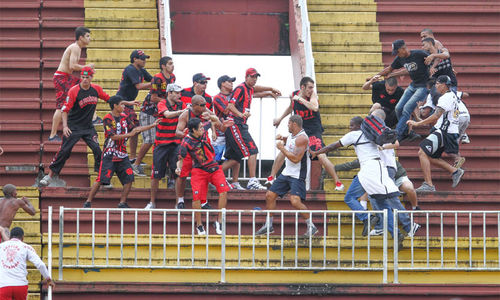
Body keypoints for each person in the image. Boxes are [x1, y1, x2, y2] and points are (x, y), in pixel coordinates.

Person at [312, 116, 417, 245]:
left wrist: (317, 152)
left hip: (368, 170)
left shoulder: (354, 135)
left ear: (358, 126)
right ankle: (396, 234)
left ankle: (367, 217)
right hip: (380, 168)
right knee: (383, 204)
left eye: (351, 125)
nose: (350, 128)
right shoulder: (372, 135)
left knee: (349, 197)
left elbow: (334, 145)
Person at [40, 67, 135, 187]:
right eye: (83, 77)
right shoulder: (74, 91)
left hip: (88, 127)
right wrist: (64, 127)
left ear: (91, 78)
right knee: (64, 151)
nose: (84, 79)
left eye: (87, 77)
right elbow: (64, 110)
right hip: (74, 126)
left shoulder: (96, 89)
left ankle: (102, 177)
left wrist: (126, 103)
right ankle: (49, 176)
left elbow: (110, 100)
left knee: (97, 149)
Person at [83, 96, 159, 208]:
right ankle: (88, 202)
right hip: (110, 154)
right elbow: (112, 137)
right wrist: (129, 135)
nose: (123, 106)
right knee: (101, 179)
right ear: (115, 105)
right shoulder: (107, 118)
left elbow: (136, 129)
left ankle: (122, 202)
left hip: (122, 155)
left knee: (129, 178)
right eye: (122, 104)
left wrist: (152, 125)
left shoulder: (125, 117)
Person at [272, 76, 343, 191]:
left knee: (320, 155)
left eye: (312, 87)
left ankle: (338, 182)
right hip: (300, 131)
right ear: (302, 87)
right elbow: (291, 107)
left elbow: (314, 107)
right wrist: (280, 118)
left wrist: (300, 99)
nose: (311, 90)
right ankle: (271, 177)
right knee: (284, 150)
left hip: (314, 131)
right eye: (309, 88)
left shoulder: (312, 96)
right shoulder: (293, 95)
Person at [255, 115, 317, 237]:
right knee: (270, 195)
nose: (287, 126)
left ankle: (311, 226)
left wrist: (282, 148)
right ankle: (269, 225)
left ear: (294, 124)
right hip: (287, 172)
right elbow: (291, 140)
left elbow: (295, 159)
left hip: (297, 175)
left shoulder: (302, 138)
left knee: (294, 201)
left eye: (288, 124)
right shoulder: (293, 136)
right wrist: (283, 138)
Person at [224, 68, 281, 190]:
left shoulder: (248, 89)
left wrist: (269, 91)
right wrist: (240, 115)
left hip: (239, 125)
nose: (254, 80)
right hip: (235, 124)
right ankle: (252, 180)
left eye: (256, 77)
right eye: (252, 77)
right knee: (253, 150)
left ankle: (214, 174)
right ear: (246, 77)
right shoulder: (240, 88)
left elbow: (254, 92)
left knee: (236, 157)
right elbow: (230, 106)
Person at [407, 75, 465, 192]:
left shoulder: (445, 98)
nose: (436, 86)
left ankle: (429, 184)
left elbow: (435, 116)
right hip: (449, 132)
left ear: (444, 85)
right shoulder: (451, 95)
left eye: (438, 83)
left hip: (444, 131)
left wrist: (418, 124)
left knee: (422, 152)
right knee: (430, 156)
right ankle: (454, 171)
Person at [176, 117, 232, 235]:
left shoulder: (203, 129)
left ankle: (219, 220)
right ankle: (199, 225)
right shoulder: (186, 142)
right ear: (193, 130)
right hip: (199, 171)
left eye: (202, 126)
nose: (203, 129)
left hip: (214, 168)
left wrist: (220, 123)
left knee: (223, 191)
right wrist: (178, 168)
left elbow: (212, 120)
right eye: (200, 128)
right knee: (196, 198)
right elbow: (180, 158)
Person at [367, 39, 429, 142]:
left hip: (423, 86)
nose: (397, 54)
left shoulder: (418, 54)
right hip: (413, 85)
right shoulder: (400, 59)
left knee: (407, 109)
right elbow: (389, 69)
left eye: (397, 52)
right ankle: (405, 131)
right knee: (398, 108)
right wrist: (375, 76)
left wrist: (433, 65)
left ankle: (397, 135)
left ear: (403, 48)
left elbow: (433, 57)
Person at [145, 84, 187, 210]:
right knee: (156, 174)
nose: (180, 95)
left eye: (180, 92)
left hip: (176, 144)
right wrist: (183, 112)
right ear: (169, 93)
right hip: (161, 144)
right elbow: (167, 115)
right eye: (177, 92)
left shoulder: (182, 104)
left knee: (179, 172)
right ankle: (152, 202)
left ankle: (179, 201)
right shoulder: (162, 103)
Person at [174, 95, 221, 209]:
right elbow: (177, 132)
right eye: (202, 105)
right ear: (194, 105)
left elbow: (215, 120)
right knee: (182, 174)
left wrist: (214, 131)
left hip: (203, 148)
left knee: (204, 174)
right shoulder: (185, 114)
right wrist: (186, 134)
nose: (205, 107)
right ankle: (180, 200)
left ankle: (204, 201)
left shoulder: (206, 111)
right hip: (190, 147)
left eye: (206, 104)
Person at [49, 27, 95, 142]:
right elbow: (72, 66)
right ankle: (52, 135)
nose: (90, 39)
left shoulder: (77, 48)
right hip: (62, 77)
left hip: (66, 77)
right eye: (88, 36)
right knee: (61, 106)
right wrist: (87, 67)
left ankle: (93, 117)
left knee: (87, 86)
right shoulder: (75, 47)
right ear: (81, 37)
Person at [132, 56, 176, 176]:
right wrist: (168, 102)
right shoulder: (157, 78)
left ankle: (160, 167)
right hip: (149, 111)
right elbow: (153, 97)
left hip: (159, 112)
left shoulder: (172, 77)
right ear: (163, 66)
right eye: (170, 64)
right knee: (150, 139)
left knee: (160, 140)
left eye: (173, 63)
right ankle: (135, 165)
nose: (173, 66)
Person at [116, 50, 153, 164]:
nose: (144, 61)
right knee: (129, 129)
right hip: (122, 103)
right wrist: (155, 84)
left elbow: (152, 79)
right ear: (134, 59)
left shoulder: (141, 70)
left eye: (145, 58)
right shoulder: (130, 69)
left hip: (129, 103)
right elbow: (138, 86)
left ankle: (132, 157)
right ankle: (118, 154)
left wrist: (158, 81)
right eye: (142, 59)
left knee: (134, 130)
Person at [0, 227, 55, 299]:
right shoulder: (26, 247)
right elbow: (40, 264)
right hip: (20, 285)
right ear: (22, 238)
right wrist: (48, 279)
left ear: (10, 236)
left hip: (4, 285)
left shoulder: (1, 246)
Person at [213, 75, 244, 190]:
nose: (232, 84)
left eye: (232, 82)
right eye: (229, 81)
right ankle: (215, 178)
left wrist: (268, 91)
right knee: (217, 158)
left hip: (233, 130)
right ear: (222, 84)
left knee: (237, 154)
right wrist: (235, 106)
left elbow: (251, 93)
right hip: (221, 132)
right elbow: (226, 110)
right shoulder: (217, 97)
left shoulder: (233, 96)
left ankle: (234, 182)